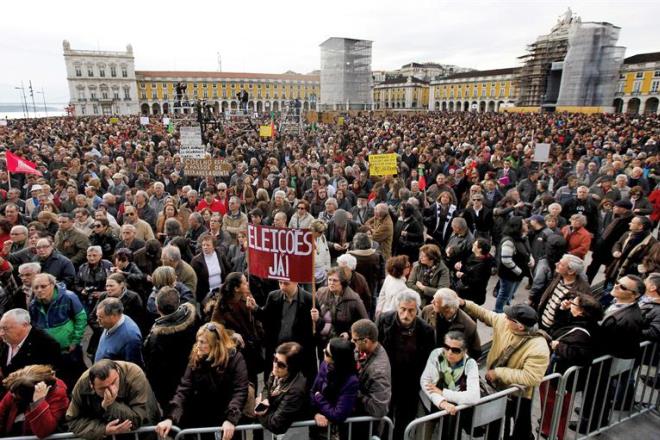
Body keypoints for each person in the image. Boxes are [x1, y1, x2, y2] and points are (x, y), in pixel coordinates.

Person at [458, 299, 550, 440]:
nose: (504, 317)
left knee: (521, 426)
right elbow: (485, 314)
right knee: (494, 421)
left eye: (509, 318)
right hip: (494, 387)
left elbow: (532, 377)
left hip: (518, 394)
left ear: (519, 326)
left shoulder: (539, 347)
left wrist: (498, 373)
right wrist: (464, 303)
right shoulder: (505, 323)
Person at [155, 323, 248, 440]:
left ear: (216, 344)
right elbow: (184, 389)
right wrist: (170, 418)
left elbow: (240, 391)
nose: (198, 345)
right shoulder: (196, 357)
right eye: (197, 341)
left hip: (226, 419)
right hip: (202, 419)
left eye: (203, 342)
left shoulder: (235, 359)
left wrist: (231, 419)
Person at [539, 293, 603, 439]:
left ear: (581, 311)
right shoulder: (584, 323)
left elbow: (581, 356)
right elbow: (561, 326)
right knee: (553, 405)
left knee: (557, 406)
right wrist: (562, 309)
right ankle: (548, 427)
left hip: (562, 377)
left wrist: (559, 346)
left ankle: (554, 432)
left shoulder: (582, 333)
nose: (570, 304)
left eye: (573, 304)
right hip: (562, 377)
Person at [378, 291, 434, 439]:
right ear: (397, 307)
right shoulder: (384, 320)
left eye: (411, 310)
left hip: (410, 383)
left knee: (404, 421)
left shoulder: (426, 331)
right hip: (387, 380)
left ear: (417, 310)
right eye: (403, 309)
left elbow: (427, 359)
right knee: (384, 417)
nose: (406, 314)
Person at [66, 359, 161, 440]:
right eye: (103, 388)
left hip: (143, 434)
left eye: (114, 382)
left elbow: (137, 420)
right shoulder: (83, 384)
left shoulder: (134, 375)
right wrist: (103, 430)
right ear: (92, 385)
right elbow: (73, 421)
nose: (111, 390)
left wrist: (110, 405)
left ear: (118, 372)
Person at [28, 273, 87, 389]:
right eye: (36, 287)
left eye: (43, 286)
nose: (39, 290)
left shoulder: (68, 297)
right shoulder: (33, 304)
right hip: (48, 350)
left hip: (69, 348)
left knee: (78, 377)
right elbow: (33, 326)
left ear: (52, 285)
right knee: (57, 379)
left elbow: (81, 318)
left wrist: (75, 340)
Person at [254, 280, 320, 383]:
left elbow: (318, 329)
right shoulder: (273, 296)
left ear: (296, 282)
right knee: (274, 383)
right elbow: (266, 318)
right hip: (277, 350)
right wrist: (255, 309)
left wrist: (317, 320)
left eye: (286, 284)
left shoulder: (309, 299)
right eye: (280, 283)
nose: (282, 287)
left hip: (299, 353)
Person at [143, 286, 198, 409]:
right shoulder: (193, 318)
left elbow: (153, 372)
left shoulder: (156, 338)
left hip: (170, 390)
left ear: (157, 308)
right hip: (193, 381)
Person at [419, 331, 480, 436]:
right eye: (446, 347)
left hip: (455, 412)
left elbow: (474, 397)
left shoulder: (470, 364)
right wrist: (442, 402)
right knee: (425, 433)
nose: (449, 352)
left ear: (464, 351)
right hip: (432, 403)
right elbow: (426, 382)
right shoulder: (437, 354)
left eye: (455, 350)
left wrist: (443, 393)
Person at [210, 272, 264, 386]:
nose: (248, 284)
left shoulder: (247, 296)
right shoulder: (222, 305)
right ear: (236, 288)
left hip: (252, 348)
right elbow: (214, 328)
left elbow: (256, 321)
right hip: (237, 353)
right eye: (244, 283)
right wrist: (232, 334)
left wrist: (254, 309)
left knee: (253, 382)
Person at [309, 337, 359, 439]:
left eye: (327, 353)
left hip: (336, 432)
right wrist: (315, 413)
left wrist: (319, 398)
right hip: (318, 426)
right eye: (325, 349)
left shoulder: (351, 381)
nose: (323, 351)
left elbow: (338, 415)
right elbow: (312, 391)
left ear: (337, 359)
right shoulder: (325, 365)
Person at [0, 364, 69, 438]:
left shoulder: (58, 394)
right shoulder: (19, 385)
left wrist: (38, 402)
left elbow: (43, 431)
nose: (11, 395)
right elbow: (1, 409)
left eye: (14, 394)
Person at [255, 342, 308, 435]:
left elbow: (276, 425)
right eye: (275, 359)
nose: (275, 365)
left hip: (293, 434)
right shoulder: (278, 373)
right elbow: (266, 388)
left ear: (292, 367)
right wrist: (265, 400)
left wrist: (260, 410)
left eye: (281, 364)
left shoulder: (295, 391)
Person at [0, 308, 61, 382]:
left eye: (6, 328)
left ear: (24, 325)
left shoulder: (46, 345)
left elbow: (44, 379)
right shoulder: (5, 339)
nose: (1, 333)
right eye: (0, 328)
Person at [534, 254, 592, 331]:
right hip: (541, 321)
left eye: (561, 264)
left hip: (555, 330)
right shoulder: (558, 275)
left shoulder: (583, 290)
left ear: (571, 271)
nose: (556, 264)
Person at [422, 288, 482, 359]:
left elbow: (475, 352)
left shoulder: (469, 326)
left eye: (436, 302)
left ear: (447, 308)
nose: (432, 302)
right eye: (433, 299)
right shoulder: (427, 310)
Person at [314, 267, 368, 344]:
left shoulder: (353, 299)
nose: (331, 283)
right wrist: (316, 317)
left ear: (343, 282)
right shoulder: (321, 293)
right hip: (320, 338)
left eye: (335, 280)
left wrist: (349, 333)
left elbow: (364, 322)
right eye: (329, 279)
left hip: (341, 342)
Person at [494, 216, 532, 313]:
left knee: (509, 294)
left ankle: (505, 308)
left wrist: (531, 259)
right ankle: (498, 311)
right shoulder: (509, 241)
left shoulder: (522, 238)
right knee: (504, 294)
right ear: (517, 226)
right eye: (523, 223)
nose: (526, 225)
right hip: (509, 274)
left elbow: (527, 251)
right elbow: (506, 260)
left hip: (517, 275)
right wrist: (518, 271)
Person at [94, 297, 143, 366]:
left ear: (113, 316)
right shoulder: (111, 323)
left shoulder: (130, 338)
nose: (97, 320)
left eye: (100, 318)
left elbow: (132, 368)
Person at [190, 233, 232, 303]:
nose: (205, 247)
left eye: (208, 245)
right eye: (203, 245)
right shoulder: (196, 261)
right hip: (206, 295)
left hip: (221, 291)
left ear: (214, 246)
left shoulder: (220, 255)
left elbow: (228, 269)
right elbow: (194, 279)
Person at [452, 238, 494, 305]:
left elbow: (476, 283)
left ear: (479, 249)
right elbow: (469, 267)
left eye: (475, 245)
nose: (472, 245)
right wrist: (461, 266)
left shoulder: (483, 266)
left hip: (472, 296)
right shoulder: (475, 256)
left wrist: (462, 275)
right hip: (465, 291)